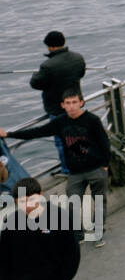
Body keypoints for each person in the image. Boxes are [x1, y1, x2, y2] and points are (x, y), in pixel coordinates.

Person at [0, 90, 111, 245]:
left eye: (74, 102)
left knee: (99, 202)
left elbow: (104, 143)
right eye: (68, 103)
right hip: (75, 172)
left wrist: (105, 165)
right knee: (72, 204)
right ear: (62, 105)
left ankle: (98, 234)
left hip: (96, 169)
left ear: (81, 103)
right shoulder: (60, 122)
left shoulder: (92, 120)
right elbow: (37, 132)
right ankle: (78, 235)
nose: (71, 106)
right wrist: (9, 134)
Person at [30, 30, 85, 174]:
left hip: (58, 108)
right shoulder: (78, 58)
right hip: (76, 105)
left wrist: (36, 74)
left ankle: (68, 170)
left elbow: (35, 84)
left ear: (50, 46)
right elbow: (81, 73)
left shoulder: (47, 66)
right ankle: (82, 164)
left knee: (62, 141)